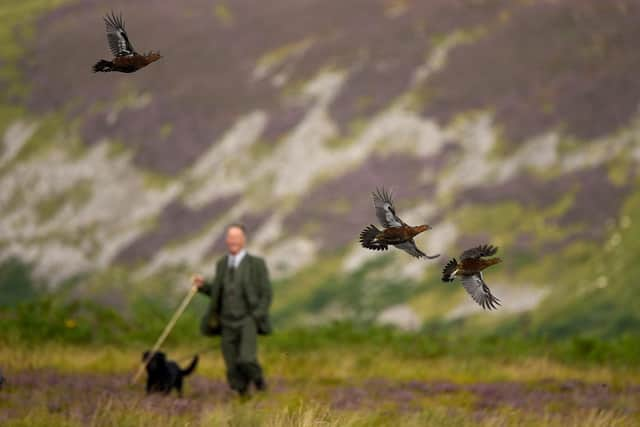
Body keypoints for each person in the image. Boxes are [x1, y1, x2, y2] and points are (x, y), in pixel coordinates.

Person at [192, 223, 272, 395]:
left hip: (248, 319)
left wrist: (256, 316)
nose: (233, 241)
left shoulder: (256, 264)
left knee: (246, 358)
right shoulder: (221, 264)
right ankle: (243, 397)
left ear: (243, 239)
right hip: (226, 321)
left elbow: (266, 293)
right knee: (231, 363)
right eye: (230, 238)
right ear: (226, 240)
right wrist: (202, 287)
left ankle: (258, 380)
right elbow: (218, 291)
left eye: (237, 237)